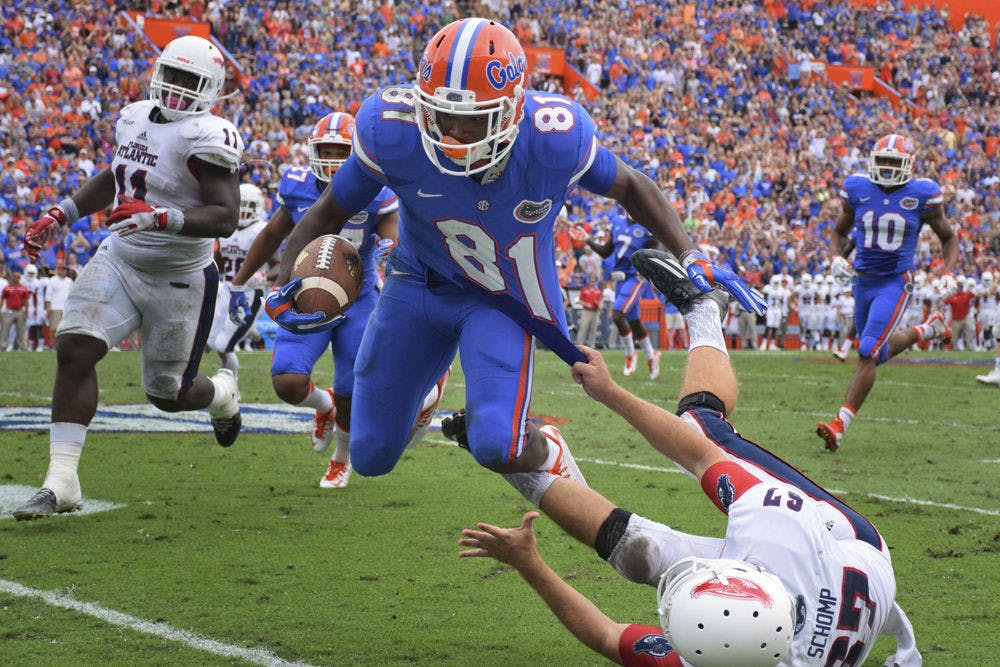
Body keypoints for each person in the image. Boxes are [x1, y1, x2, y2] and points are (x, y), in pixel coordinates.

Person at [266, 18, 765, 484]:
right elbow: (329, 210)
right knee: (371, 456)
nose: (454, 135)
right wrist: (286, 279)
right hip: (417, 283)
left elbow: (631, 186)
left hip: (502, 296)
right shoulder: (392, 129)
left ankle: (550, 452)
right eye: (442, 116)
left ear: (512, 110)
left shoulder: (554, 137)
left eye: (473, 121)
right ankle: (427, 389)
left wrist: (692, 252)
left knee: (495, 446)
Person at [457, 250, 921, 667]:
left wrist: (530, 560)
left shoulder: (724, 647)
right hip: (846, 545)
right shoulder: (777, 528)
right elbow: (697, 453)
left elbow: (607, 637)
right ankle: (704, 307)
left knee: (640, 555)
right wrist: (610, 393)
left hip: (809, 590)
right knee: (702, 424)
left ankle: (528, 464)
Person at [13, 35, 245, 520]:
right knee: (75, 347)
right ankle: (61, 482)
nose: (178, 87)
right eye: (174, 75)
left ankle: (222, 394)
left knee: (169, 393)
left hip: (180, 275)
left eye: (190, 80)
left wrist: (161, 217)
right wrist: (63, 213)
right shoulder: (134, 116)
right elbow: (117, 176)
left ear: (211, 89)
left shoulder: (209, 136)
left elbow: (225, 216)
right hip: (120, 257)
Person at [230, 111, 447, 488]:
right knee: (287, 381)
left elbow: (394, 236)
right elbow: (270, 236)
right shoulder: (297, 186)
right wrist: (238, 282)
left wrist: (390, 247)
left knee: (352, 389)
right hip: (305, 295)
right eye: (325, 150)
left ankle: (341, 457)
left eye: (339, 151)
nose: (331, 160)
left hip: (357, 299)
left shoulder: (376, 193)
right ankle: (324, 406)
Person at [816, 133, 958, 452]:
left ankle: (839, 425)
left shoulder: (923, 194)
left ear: (909, 166)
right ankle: (927, 329)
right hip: (862, 281)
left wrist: (948, 272)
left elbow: (948, 237)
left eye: (896, 163)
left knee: (867, 351)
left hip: (895, 281)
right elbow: (838, 231)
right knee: (874, 352)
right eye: (884, 162)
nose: (890, 169)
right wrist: (836, 256)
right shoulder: (857, 188)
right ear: (872, 162)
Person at [205, 183, 271, 376]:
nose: (243, 210)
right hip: (226, 289)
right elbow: (218, 261)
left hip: (250, 292)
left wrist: (264, 275)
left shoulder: (262, 229)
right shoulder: (227, 228)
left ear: (257, 208)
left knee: (223, 344)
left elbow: (278, 262)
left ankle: (230, 384)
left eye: (248, 206)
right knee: (210, 341)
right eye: (241, 204)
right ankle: (226, 380)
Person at [586, 214, 662, 379]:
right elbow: (606, 252)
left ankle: (630, 354)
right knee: (634, 322)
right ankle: (651, 355)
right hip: (620, 278)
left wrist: (646, 270)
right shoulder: (618, 221)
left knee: (617, 315)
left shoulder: (646, 225)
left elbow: (656, 251)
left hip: (636, 277)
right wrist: (587, 239)